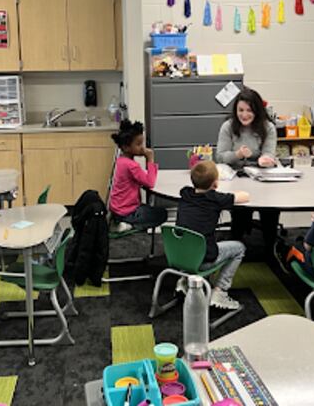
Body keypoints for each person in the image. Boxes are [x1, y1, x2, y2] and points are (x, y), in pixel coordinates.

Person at [215, 87, 282, 259]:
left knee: (270, 210)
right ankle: (236, 248)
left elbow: (269, 152)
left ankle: (270, 249)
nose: (244, 115)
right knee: (240, 209)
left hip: (261, 176)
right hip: (236, 175)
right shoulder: (228, 126)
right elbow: (220, 156)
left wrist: (265, 159)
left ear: (257, 111)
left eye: (249, 110)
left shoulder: (268, 127)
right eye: (241, 110)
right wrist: (237, 155)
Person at [176, 161, 249, 309]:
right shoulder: (215, 199)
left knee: (192, 235)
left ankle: (185, 279)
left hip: (179, 255)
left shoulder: (185, 193)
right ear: (215, 184)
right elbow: (244, 196)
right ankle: (220, 292)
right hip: (203, 259)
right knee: (239, 248)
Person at [109, 119, 167, 231]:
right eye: (138, 144)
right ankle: (129, 225)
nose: (142, 147)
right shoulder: (132, 166)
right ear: (126, 147)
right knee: (162, 214)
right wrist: (150, 158)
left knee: (149, 209)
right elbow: (150, 183)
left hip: (117, 210)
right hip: (128, 211)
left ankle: (122, 222)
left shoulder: (121, 161)